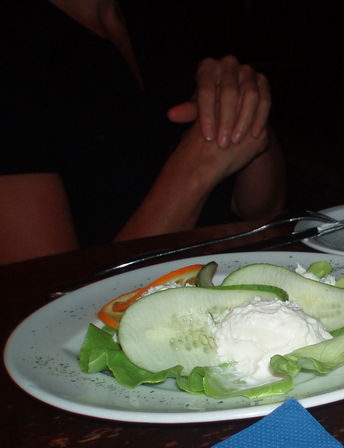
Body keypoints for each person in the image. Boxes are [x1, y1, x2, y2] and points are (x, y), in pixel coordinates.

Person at [0, 0, 287, 264]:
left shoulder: (162, 17)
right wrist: (196, 170)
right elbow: (48, 292)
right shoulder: (16, 49)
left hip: (227, 279)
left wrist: (244, 110)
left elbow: (263, 212)